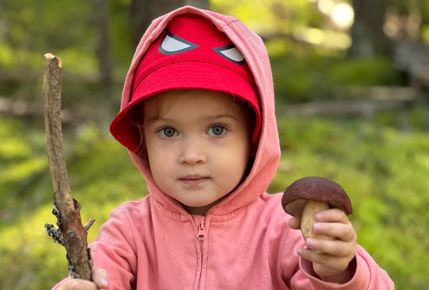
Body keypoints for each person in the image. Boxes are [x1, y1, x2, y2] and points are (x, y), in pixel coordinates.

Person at [53, 6, 394, 290]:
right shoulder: (130, 230)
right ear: (142, 141)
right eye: (168, 131)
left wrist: (339, 272)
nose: (191, 155)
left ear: (253, 140)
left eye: (217, 129)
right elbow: (97, 278)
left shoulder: (283, 229)